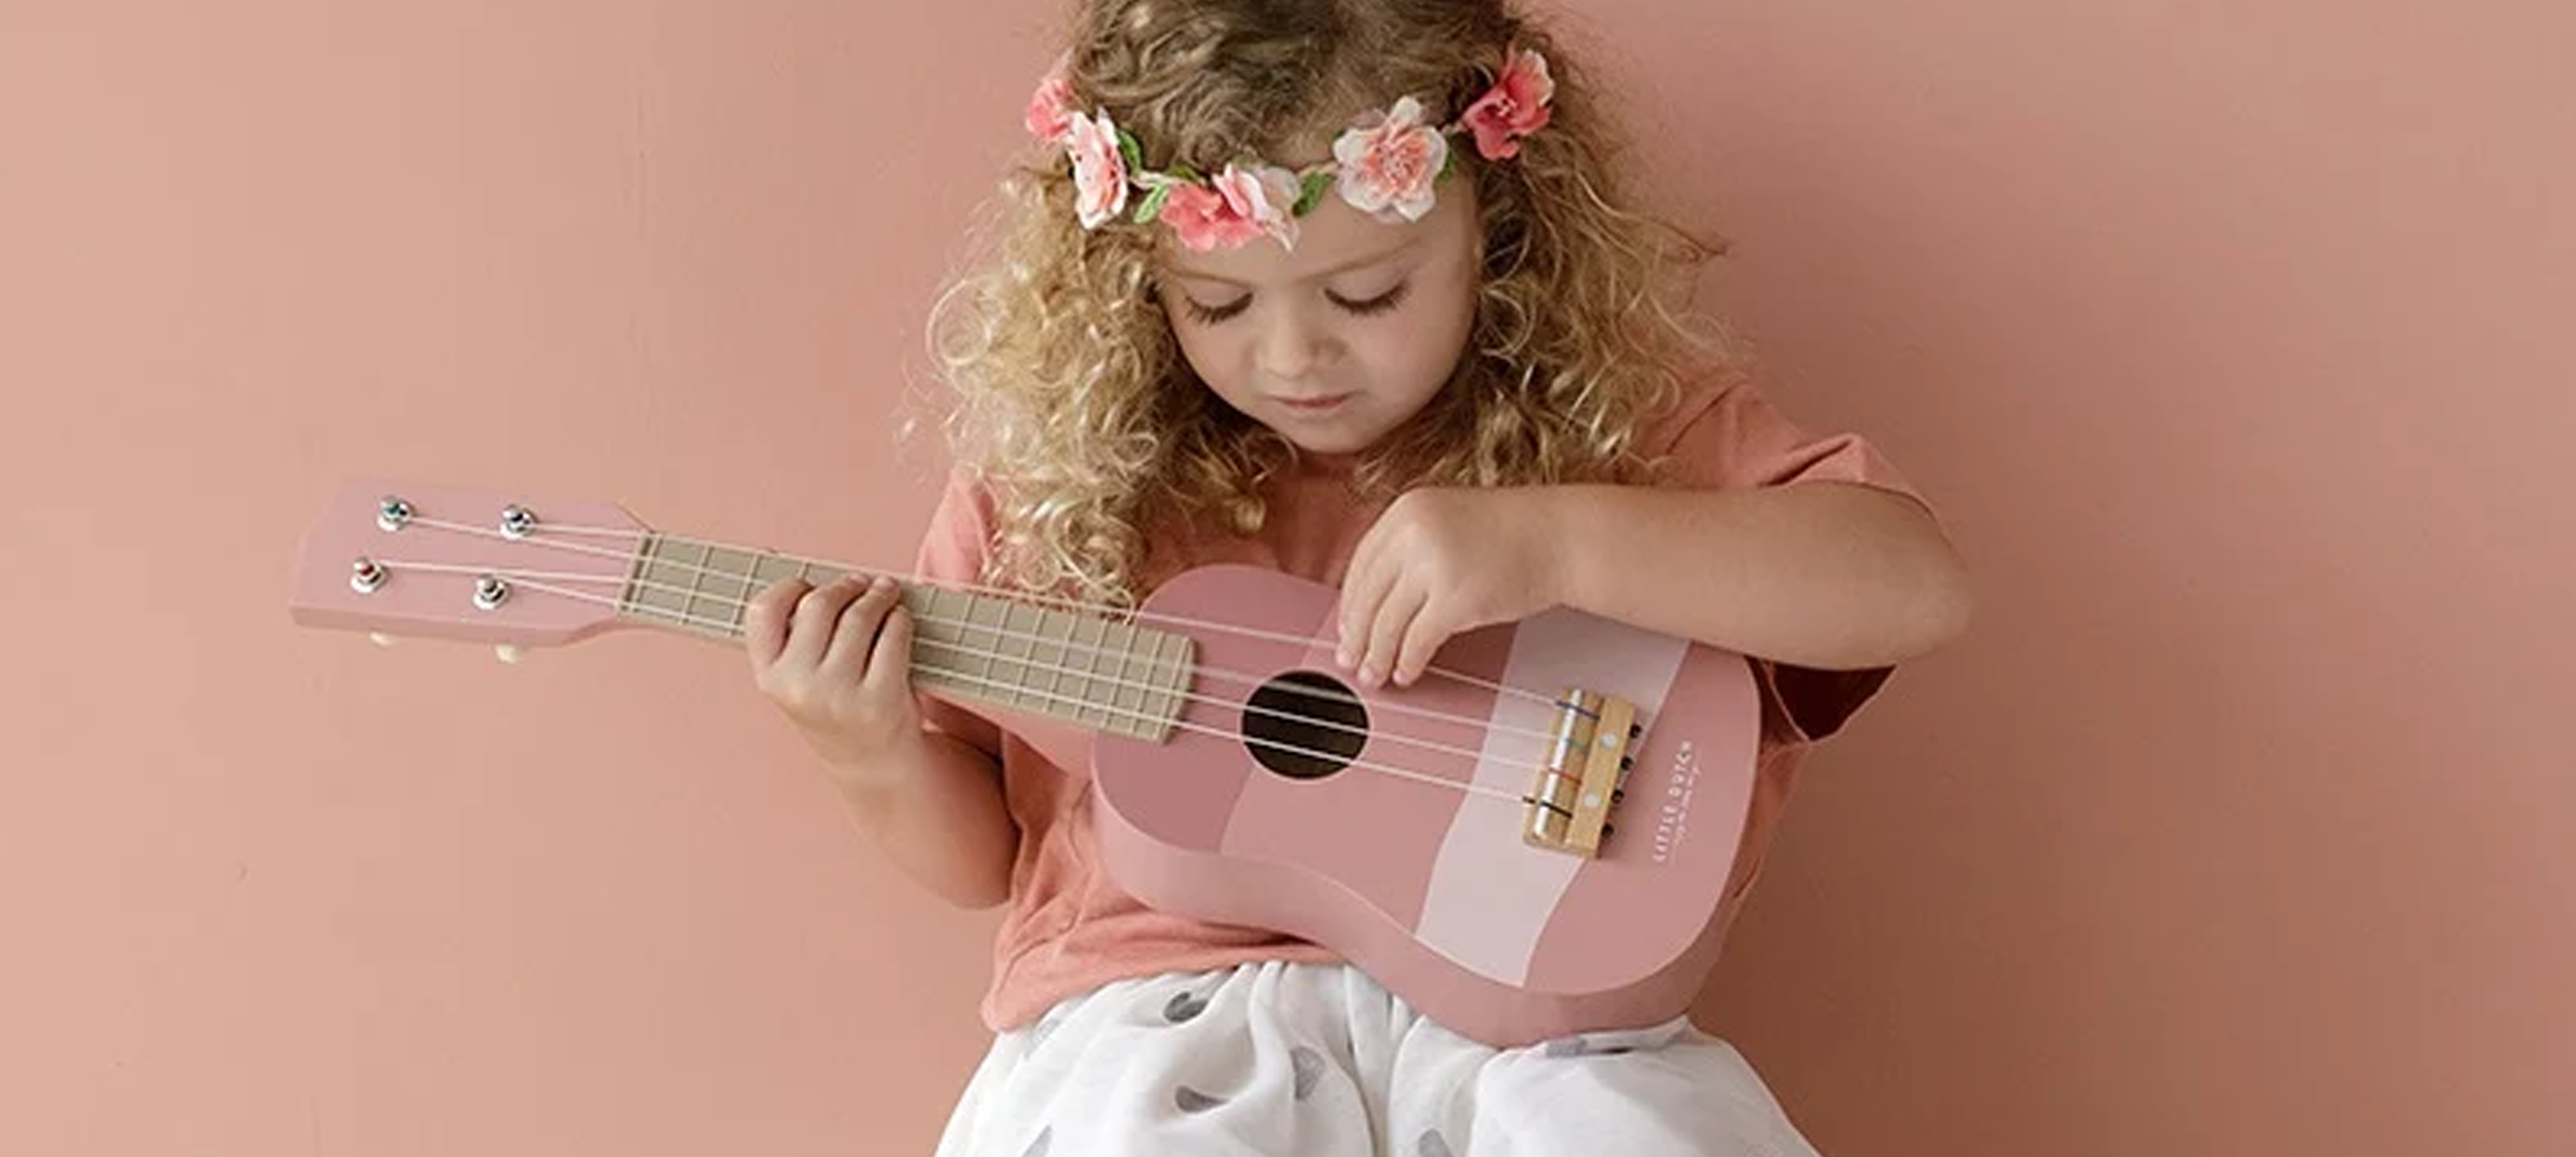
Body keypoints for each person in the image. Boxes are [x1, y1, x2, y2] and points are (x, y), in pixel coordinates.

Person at [744, 1, 1971, 1152]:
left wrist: (1557, 542)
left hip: (1528, 1039)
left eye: (1367, 292)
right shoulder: (1062, 495)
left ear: (1494, 227)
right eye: (1217, 305)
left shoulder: (1610, 428)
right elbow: (985, 864)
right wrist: (865, 748)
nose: (1292, 357)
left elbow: (1912, 587)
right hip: (1163, 1019)